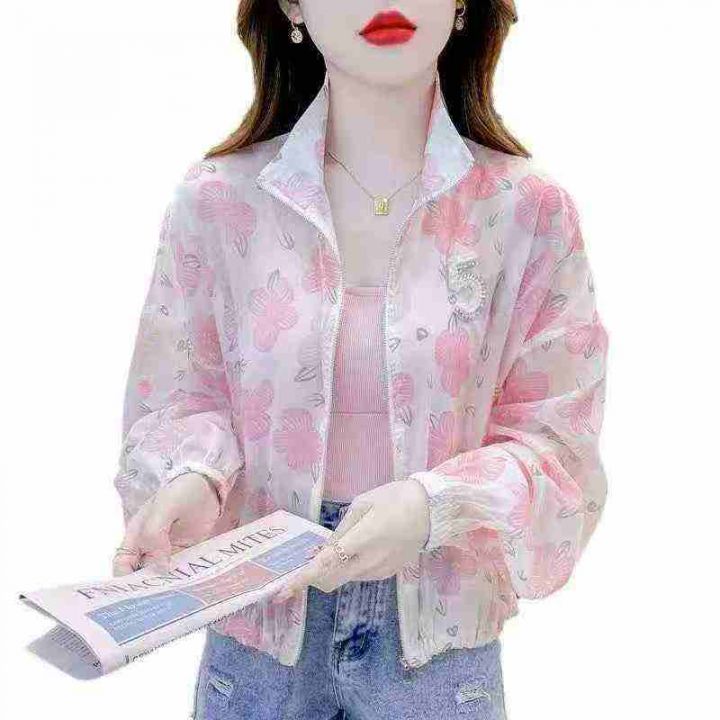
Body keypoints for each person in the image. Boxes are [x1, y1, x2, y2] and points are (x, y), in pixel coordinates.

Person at [111, 1, 609, 718]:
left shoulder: (527, 212)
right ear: (292, 5)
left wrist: (433, 505)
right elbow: (178, 393)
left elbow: (558, 448)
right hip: (261, 628)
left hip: (436, 641)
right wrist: (196, 477)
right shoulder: (220, 202)